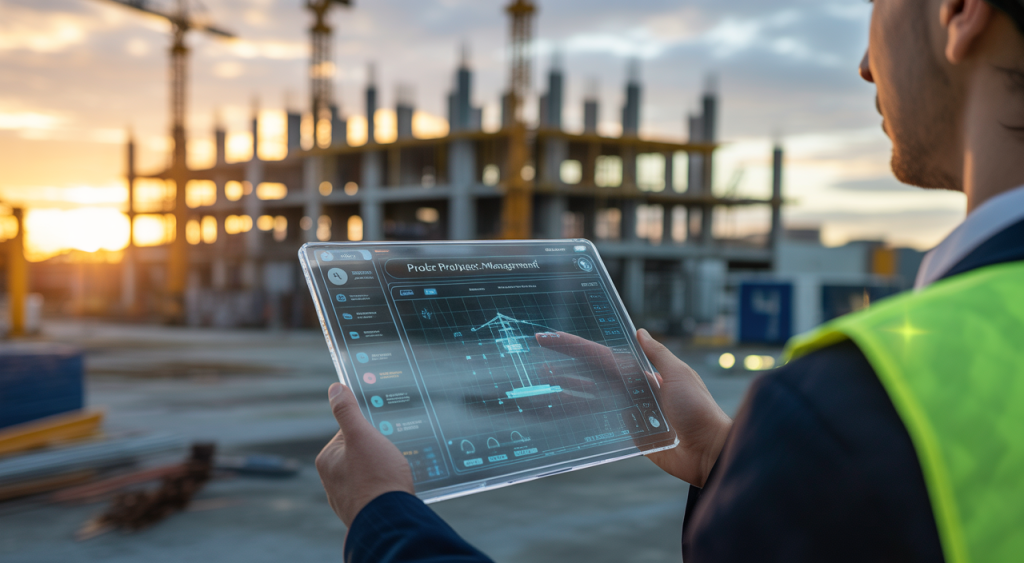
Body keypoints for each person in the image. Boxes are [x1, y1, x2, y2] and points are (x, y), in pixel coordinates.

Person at [315, 0, 1024, 560]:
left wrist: (384, 520)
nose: (867, 64)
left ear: (959, 9)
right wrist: (725, 457)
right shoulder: (869, 412)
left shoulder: (857, 405)